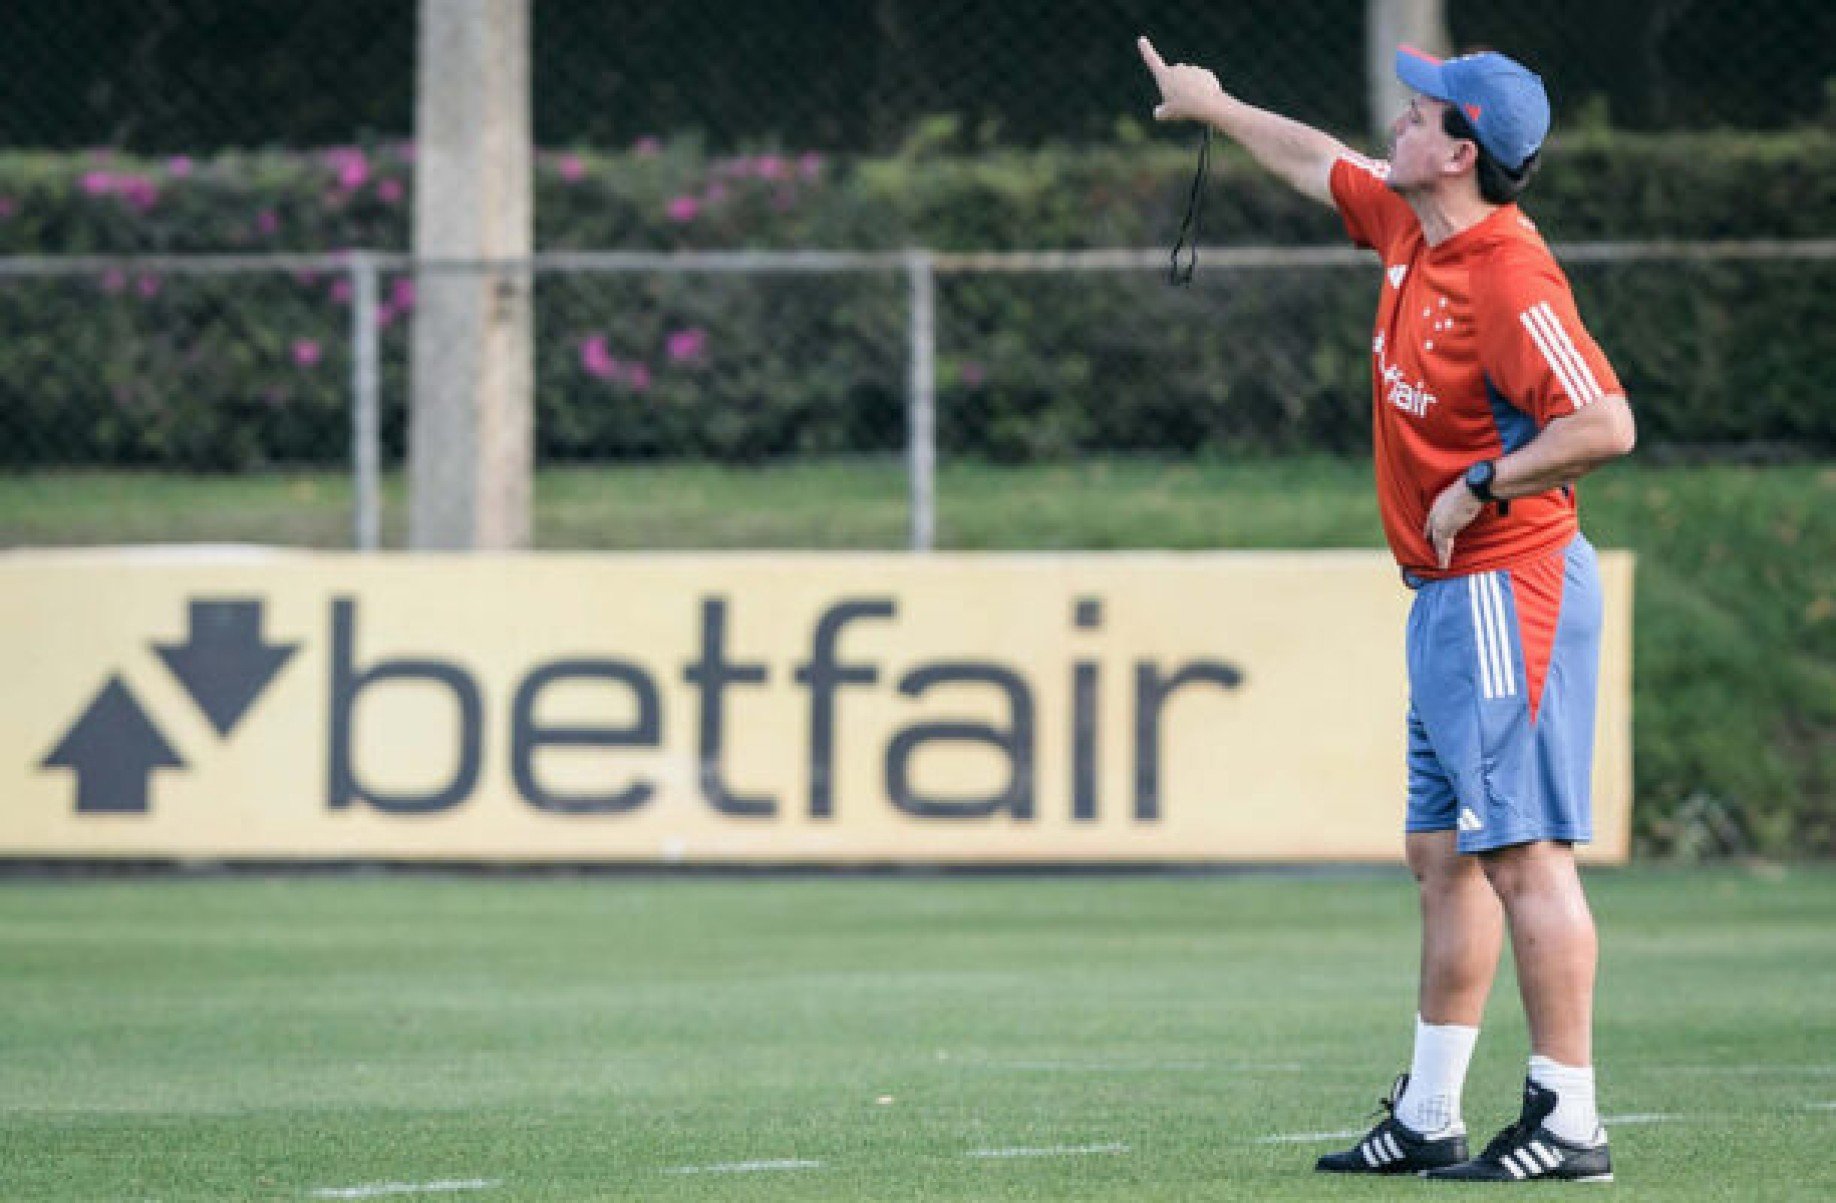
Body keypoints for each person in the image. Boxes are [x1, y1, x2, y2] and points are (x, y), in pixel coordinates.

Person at [1137, 36, 1637, 1183]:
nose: (1397, 127)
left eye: (1418, 116)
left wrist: (1481, 482)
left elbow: (1603, 425)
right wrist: (1215, 106)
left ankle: (1569, 1120)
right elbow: (1320, 163)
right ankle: (1429, 1113)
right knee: (1443, 856)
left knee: (1523, 856)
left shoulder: (1509, 274)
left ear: (1461, 152)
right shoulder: (1415, 223)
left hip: (1507, 591)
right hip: (1448, 602)